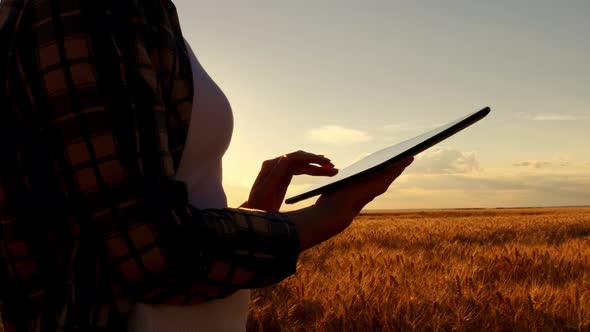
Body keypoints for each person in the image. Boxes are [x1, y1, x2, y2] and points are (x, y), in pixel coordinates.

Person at [0, 0, 413, 331]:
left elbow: (122, 218)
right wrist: (330, 213)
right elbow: (155, 256)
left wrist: (254, 209)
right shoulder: (88, 11)